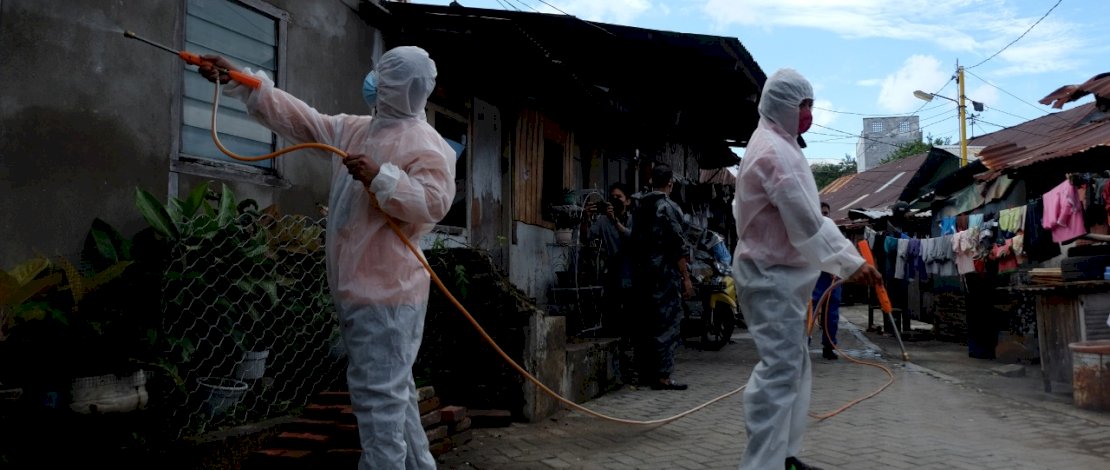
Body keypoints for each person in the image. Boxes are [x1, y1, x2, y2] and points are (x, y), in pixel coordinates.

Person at [199, 46, 456, 469]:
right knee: (395, 396)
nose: (372, 81)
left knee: (378, 406)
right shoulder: (361, 130)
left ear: (396, 87)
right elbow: (305, 121)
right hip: (360, 289)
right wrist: (242, 81)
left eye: (380, 75)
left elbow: (433, 203)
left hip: (388, 295)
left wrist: (382, 177)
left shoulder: (425, 143)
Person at [731, 69, 881, 470]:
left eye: (812, 105)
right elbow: (808, 223)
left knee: (792, 369)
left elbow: (808, 219)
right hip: (770, 274)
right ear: (783, 105)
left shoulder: (775, 143)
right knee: (779, 374)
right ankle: (762, 465)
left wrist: (849, 261)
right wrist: (852, 264)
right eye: (804, 105)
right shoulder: (775, 154)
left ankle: (783, 458)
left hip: (776, 274)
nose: (809, 114)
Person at [629, 164, 694, 391]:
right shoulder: (667, 207)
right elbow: (676, 246)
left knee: (646, 322)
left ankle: (646, 373)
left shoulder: (639, 204)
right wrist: (686, 277)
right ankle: (662, 377)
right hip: (662, 274)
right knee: (666, 323)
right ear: (670, 183)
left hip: (640, 273)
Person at [582, 183, 634, 376]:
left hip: (633, 275)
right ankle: (614, 369)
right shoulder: (603, 221)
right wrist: (586, 218)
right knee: (612, 319)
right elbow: (587, 238)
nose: (615, 200)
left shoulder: (633, 219)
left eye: (619, 197)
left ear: (627, 201)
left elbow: (633, 239)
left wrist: (615, 222)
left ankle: (630, 365)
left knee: (631, 322)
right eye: (611, 197)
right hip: (613, 274)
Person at [811, 202, 843, 361]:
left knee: (831, 314)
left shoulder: (834, 231)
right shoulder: (808, 232)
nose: (824, 215)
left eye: (826, 212)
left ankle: (829, 346)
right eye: (821, 213)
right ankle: (803, 341)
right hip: (815, 276)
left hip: (834, 275)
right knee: (810, 309)